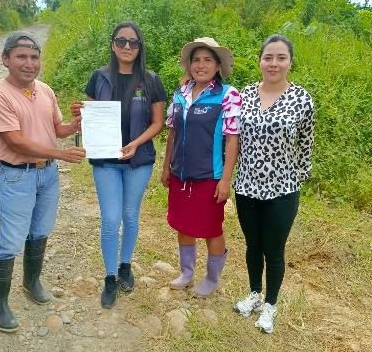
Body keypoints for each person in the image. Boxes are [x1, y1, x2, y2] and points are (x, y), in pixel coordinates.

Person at [0, 31, 86, 332]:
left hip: (47, 174)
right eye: (21, 57)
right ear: (5, 59)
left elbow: (57, 129)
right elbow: (15, 142)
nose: (29, 63)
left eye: (34, 57)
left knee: (40, 230)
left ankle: (31, 281)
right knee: (11, 241)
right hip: (17, 176)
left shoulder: (45, 90)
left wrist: (76, 124)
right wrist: (61, 154)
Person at [71, 21, 166, 309]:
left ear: (140, 47)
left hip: (139, 161)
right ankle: (110, 276)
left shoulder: (151, 79)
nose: (127, 46)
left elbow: (158, 123)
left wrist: (136, 143)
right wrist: (80, 114)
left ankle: (126, 265)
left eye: (133, 42)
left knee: (130, 215)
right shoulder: (98, 77)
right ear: (113, 45)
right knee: (111, 219)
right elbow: (87, 117)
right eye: (121, 41)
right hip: (106, 163)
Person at [233, 34, 315, 334]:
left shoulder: (302, 99)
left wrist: (296, 178)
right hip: (246, 186)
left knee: (274, 249)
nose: (274, 63)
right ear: (260, 60)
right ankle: (255, 294)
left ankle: (270, 304)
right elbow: (234, 138)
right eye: (268, 57)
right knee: (253, 245)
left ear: (290, 62)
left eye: (281, 57)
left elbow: (306, 144)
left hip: (282, 190)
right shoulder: (245, 94)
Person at [161, 37, 241, 298]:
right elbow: (172, 132)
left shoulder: (228, 95)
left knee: (211, 229)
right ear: (190, 65)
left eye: (208, 60)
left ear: (218, 66)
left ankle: (212, 278)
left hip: (209, 177)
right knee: (183, 225)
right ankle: (187, 273)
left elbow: (232, 139)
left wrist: (225, 179)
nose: (201, 65)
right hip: (180, 175)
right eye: (196, 60)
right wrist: (166, 167)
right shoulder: (180, 94)